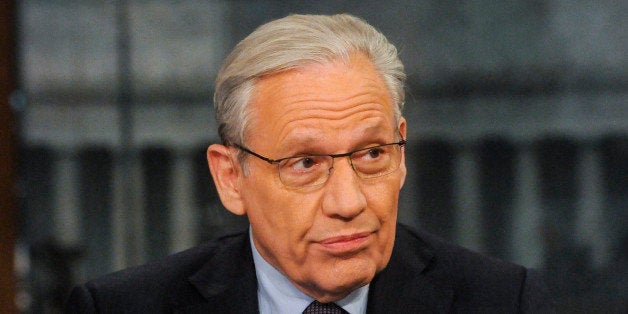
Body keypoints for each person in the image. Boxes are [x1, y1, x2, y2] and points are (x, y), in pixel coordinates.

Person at [65, 13, 550, 313]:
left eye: (372, 154)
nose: (348, 201)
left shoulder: (504, 301)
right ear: (231, 178)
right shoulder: (118, 308)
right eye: (304, 164)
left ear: (402, 154)